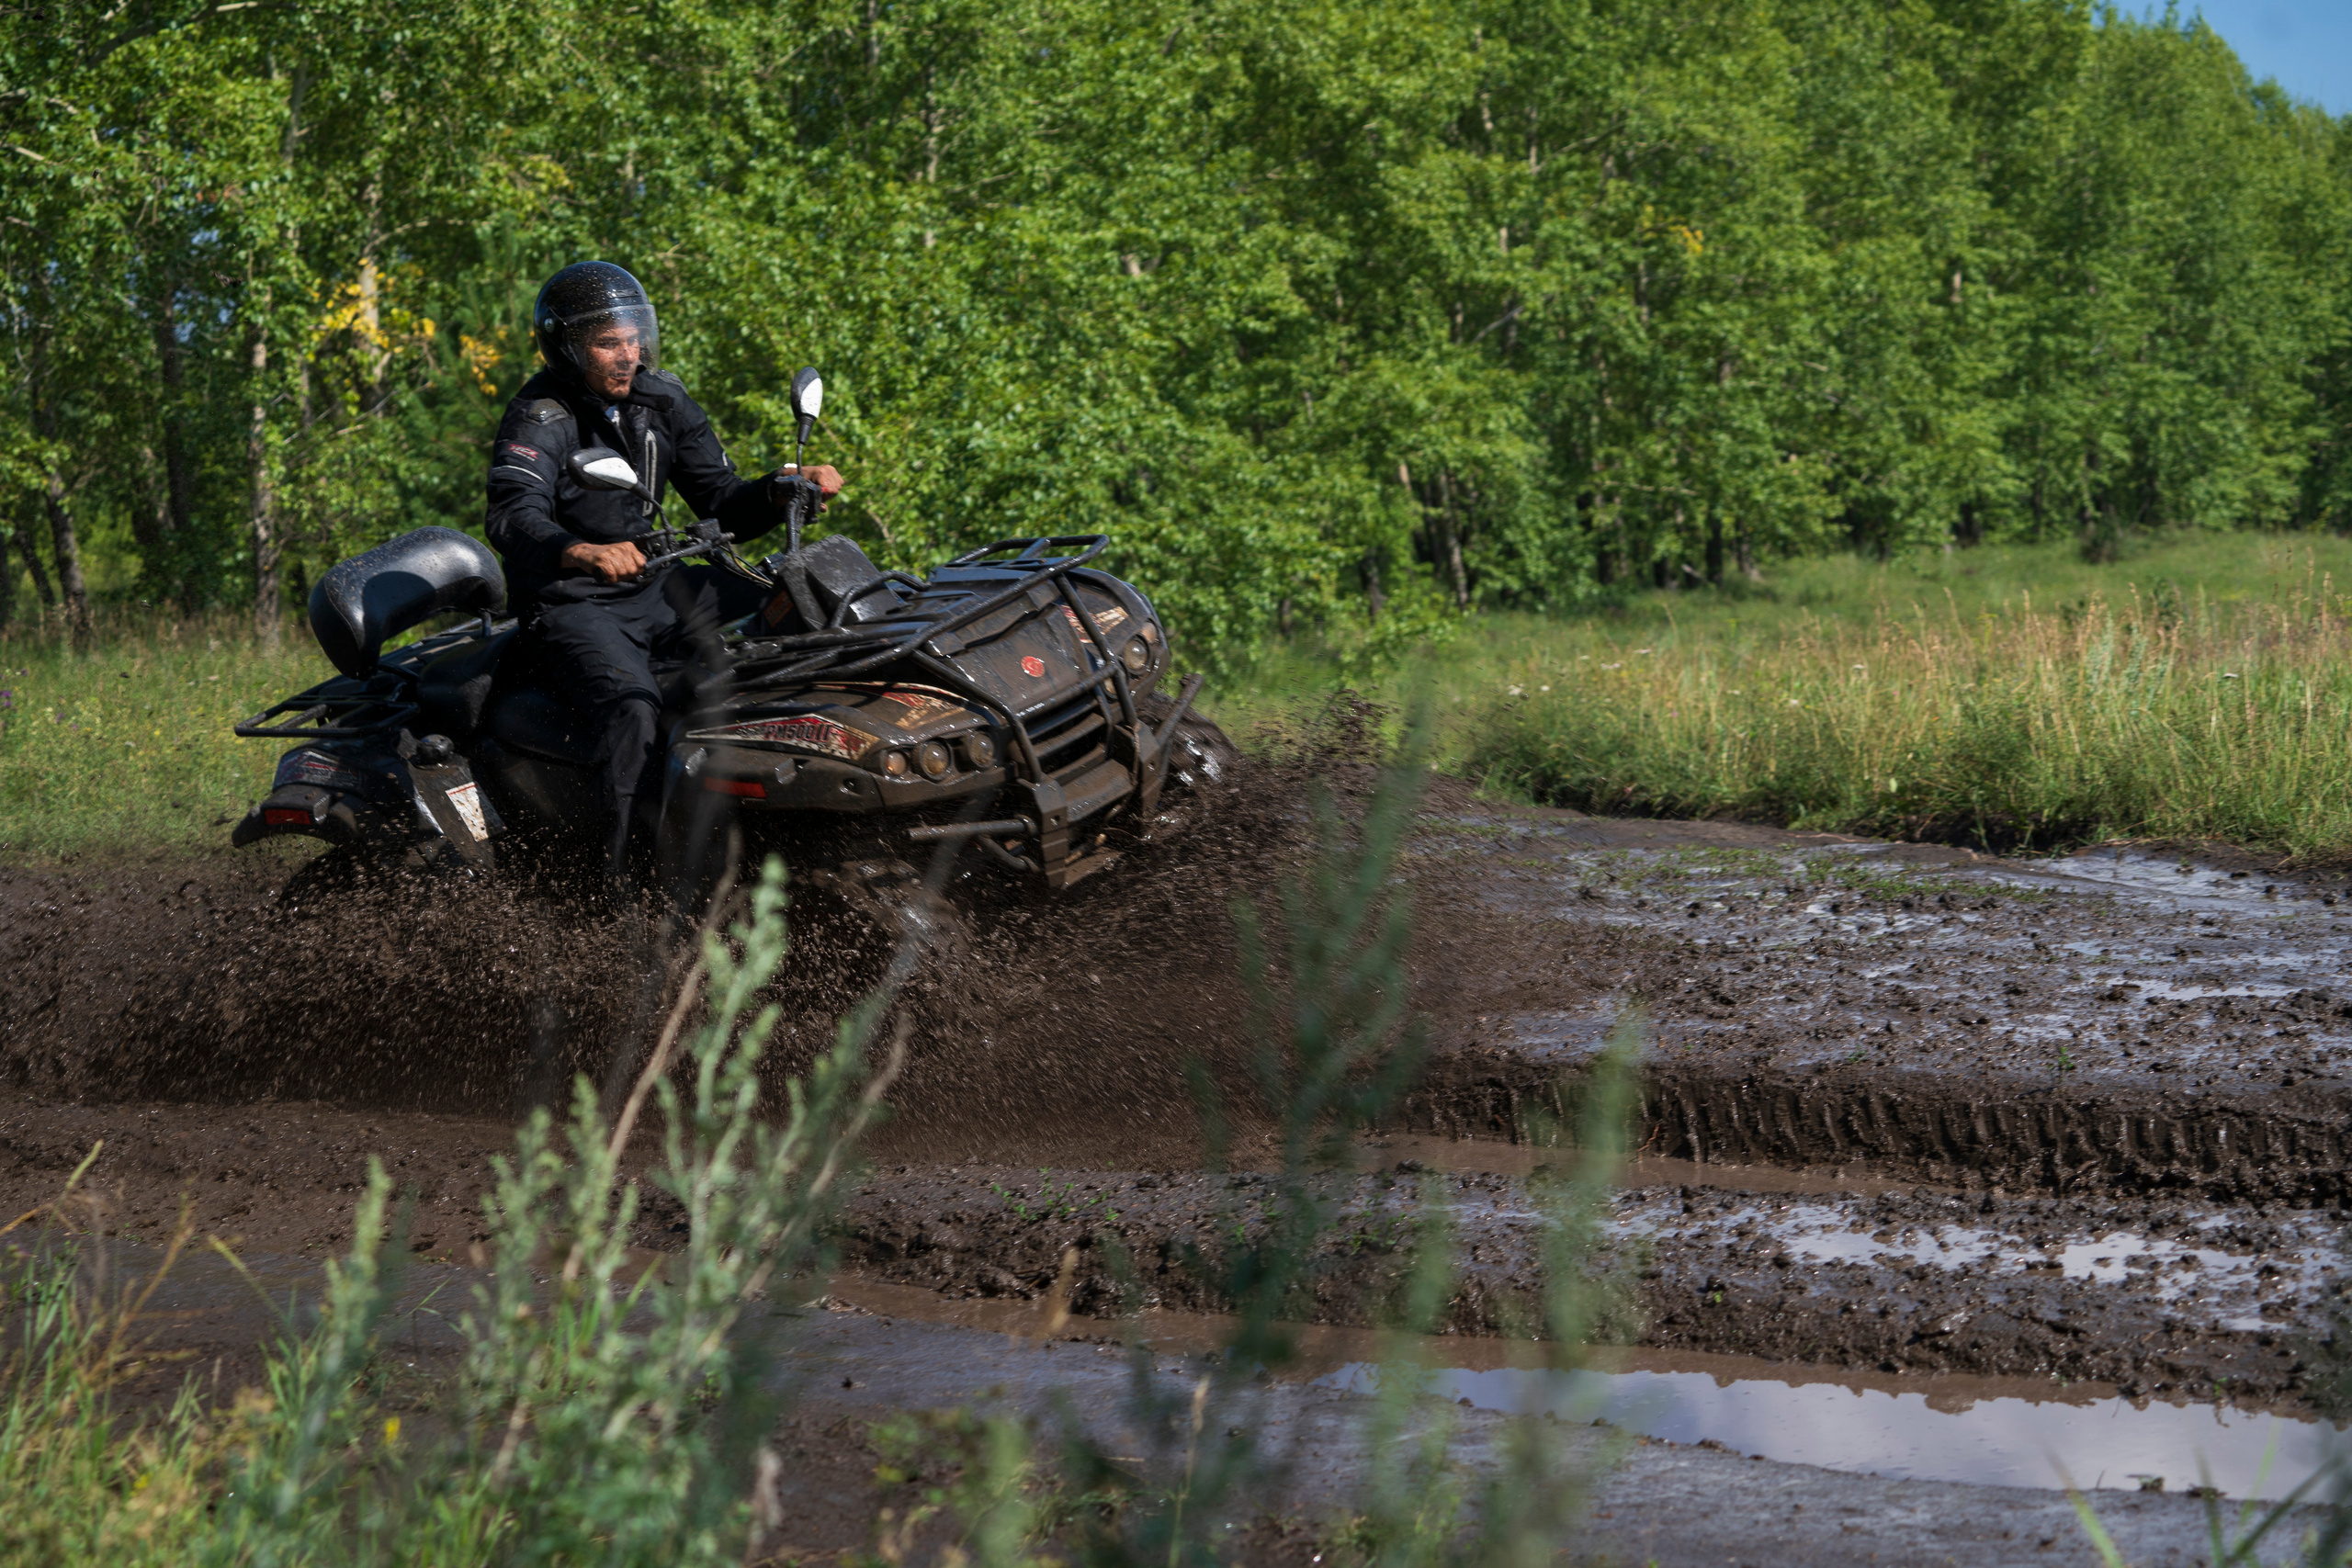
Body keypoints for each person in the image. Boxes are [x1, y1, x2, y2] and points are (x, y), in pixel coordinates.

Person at [483, 260, 842, 880]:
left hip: (653, 585)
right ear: (564, 347)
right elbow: (511, 518)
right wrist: (583, 550)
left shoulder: (661, 398)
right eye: (607, 342)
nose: (627, 355)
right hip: (573, 603)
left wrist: (781, 488)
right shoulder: (539, 417)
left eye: (633, 337)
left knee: (793, 607)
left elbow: (720, 497)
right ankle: (626, 879)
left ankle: (801, 806)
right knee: (633, 708)